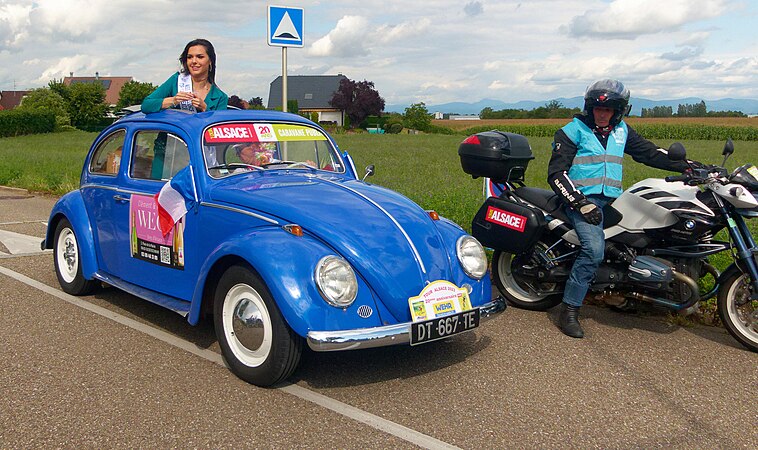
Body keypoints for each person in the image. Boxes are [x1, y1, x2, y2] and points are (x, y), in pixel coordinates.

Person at [547, 79, 702, 339]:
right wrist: (580, 203)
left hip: (613, 200)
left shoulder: (622, 131)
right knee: (593, 251)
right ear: (589, 108)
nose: (601, 113)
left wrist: (690, 167)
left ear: (619, 111)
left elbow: (650, 153)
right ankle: (569, 310)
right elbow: (556, 174)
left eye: (607, 110)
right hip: (581, 201)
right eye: (597, 108)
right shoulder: (572, 131)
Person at [141, 38, 228, 113]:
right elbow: (146, 105)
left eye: (200, 57)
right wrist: (173, 100)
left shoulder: (220, 97)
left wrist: (205, 108)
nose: (194, 61)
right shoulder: (176, 80)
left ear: (210, 61)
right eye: (189, 57)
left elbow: (218, 129)